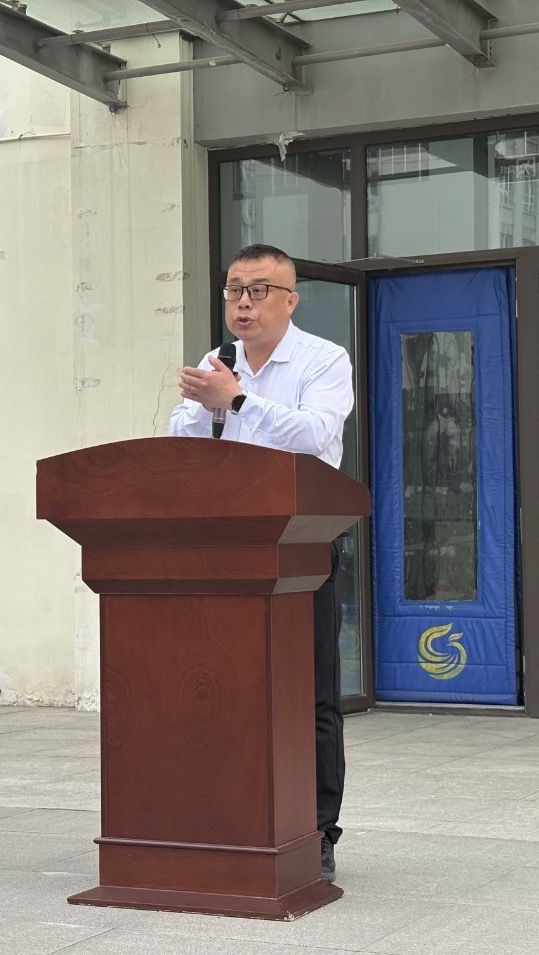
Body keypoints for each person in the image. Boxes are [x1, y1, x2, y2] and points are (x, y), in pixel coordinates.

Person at [168, 243, 354, 884]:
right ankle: (233, 817)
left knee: (310, 695)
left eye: (258, 290)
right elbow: (181, 443)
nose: (243, 303)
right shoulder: (215, 362)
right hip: (226, 545)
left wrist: (239, 401)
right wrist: (209, 405)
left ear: (290, 300)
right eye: (233, 291)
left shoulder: (324, 359)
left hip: (302, 545)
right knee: (230, 688)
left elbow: (314, 436)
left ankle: (318, 829)